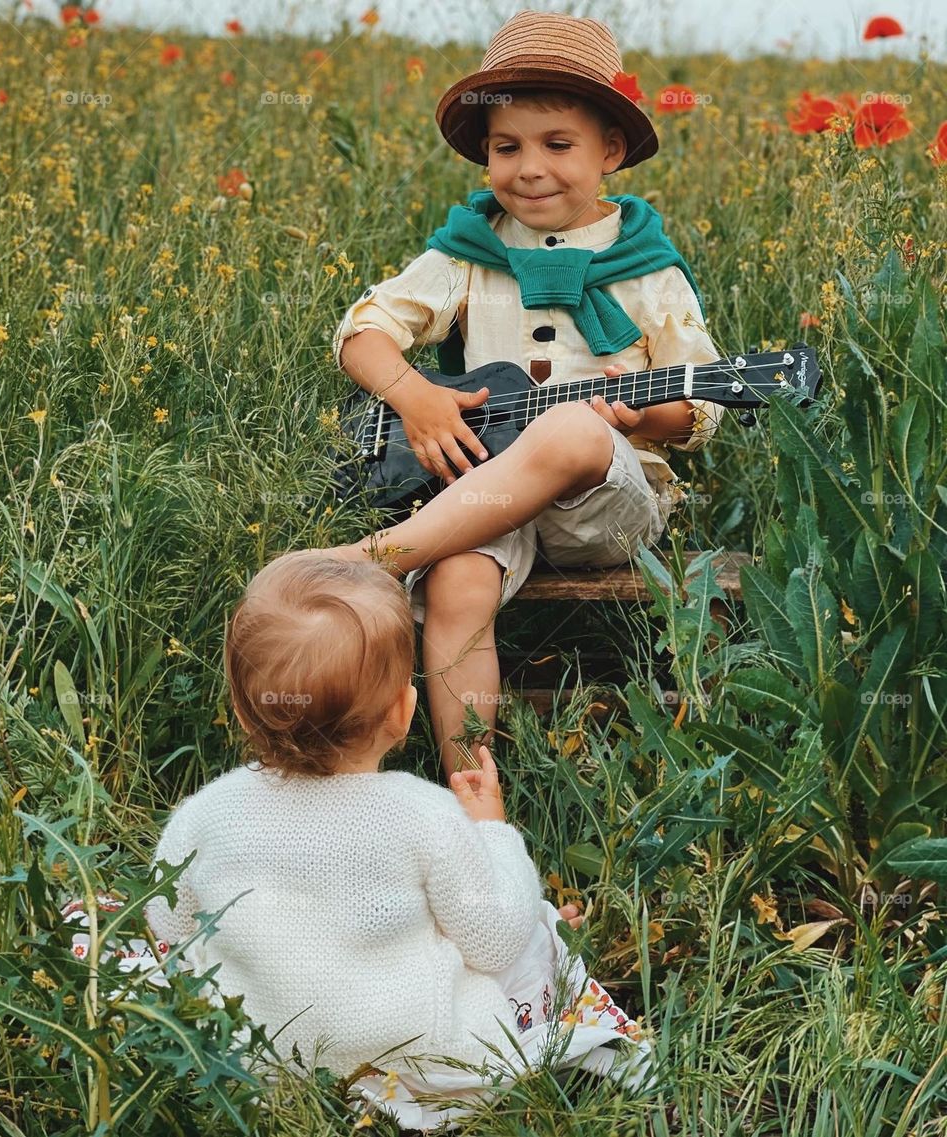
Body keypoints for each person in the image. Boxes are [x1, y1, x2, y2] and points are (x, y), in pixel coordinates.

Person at [325, 10, 726, 784]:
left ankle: (375, 560)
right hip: (483, 492)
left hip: (603, 506)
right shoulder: (468, 254)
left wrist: (642, 415)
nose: (529, 168)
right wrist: (415, 396)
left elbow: (698, 409)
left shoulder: (647, 266)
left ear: (611, 150)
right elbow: (362, 332)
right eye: (506, 148)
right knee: (454, 582)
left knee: (576, 430)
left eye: (557, 145)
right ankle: (473, 796)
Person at [145, 554, 654, 1132]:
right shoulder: (423, 813)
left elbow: (168, 926)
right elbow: (492, 944)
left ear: (239, 708)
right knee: (523, 923)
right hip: (417, 1056)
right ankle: (553, 950)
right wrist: (491, 828)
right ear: (402, 712)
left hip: (253, 1061)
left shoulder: (205, 814)